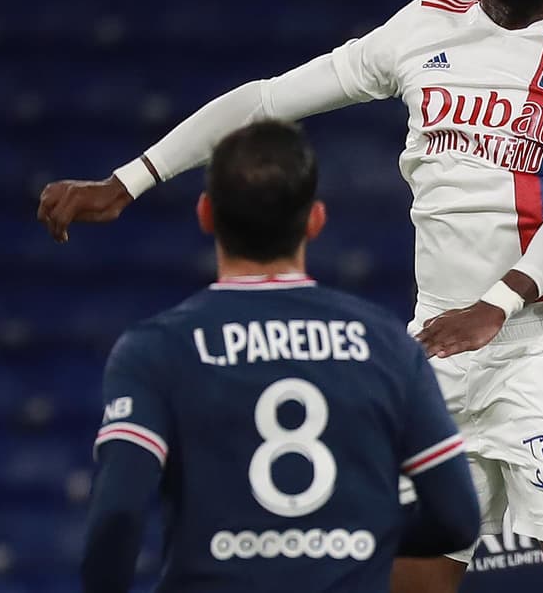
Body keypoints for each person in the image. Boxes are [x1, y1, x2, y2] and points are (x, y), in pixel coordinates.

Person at [39, 0, 543, 593]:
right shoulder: (424, 26)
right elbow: (267, 100)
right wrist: (131, 178)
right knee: (404, 576)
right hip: (438, 345)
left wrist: (500, 303)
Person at [78, 119, 481, 593]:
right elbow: (457, 517)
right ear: (315, 219)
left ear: (206, 214)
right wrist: (367, 536)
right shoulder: (388, 346)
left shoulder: (156, 349)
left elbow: (118, 515)